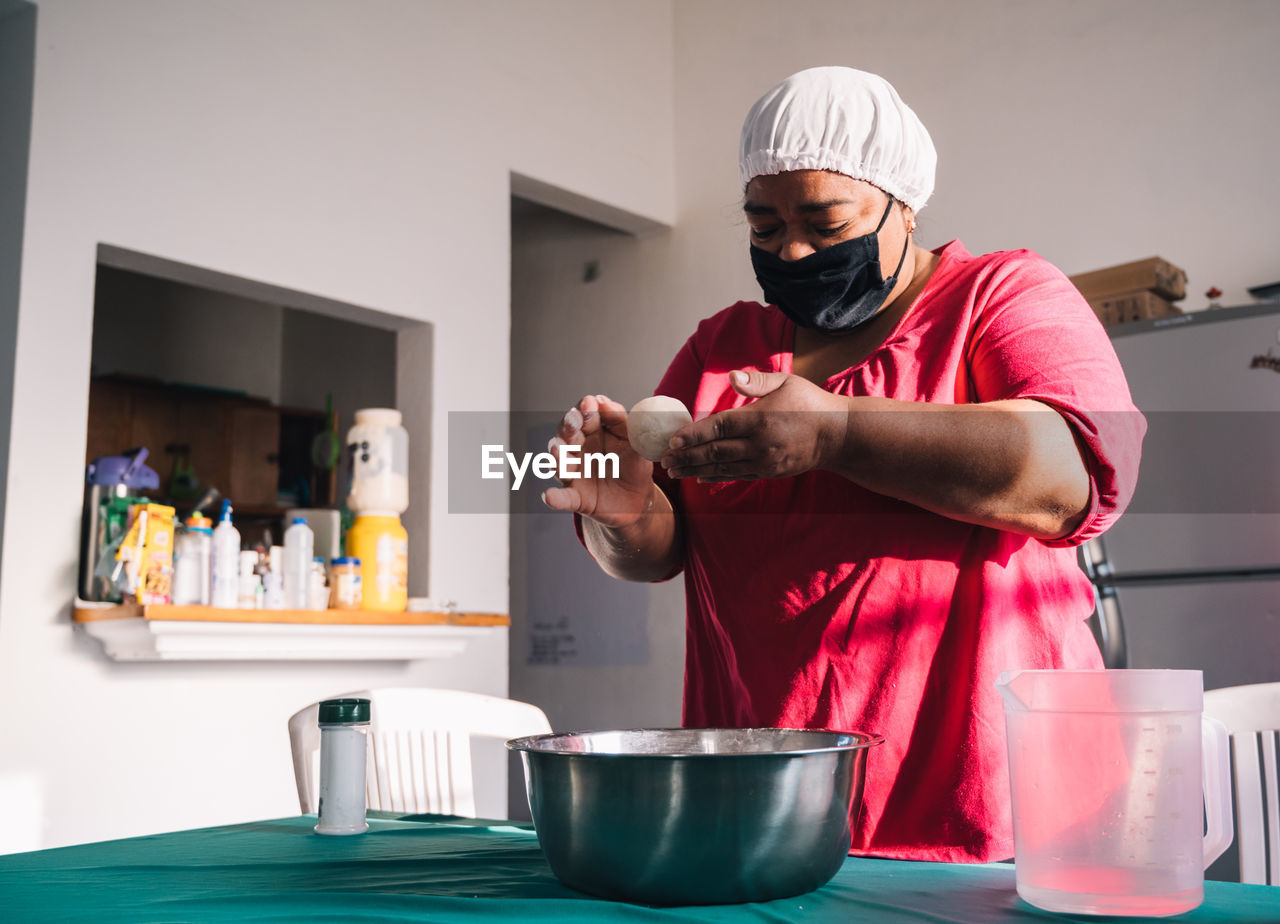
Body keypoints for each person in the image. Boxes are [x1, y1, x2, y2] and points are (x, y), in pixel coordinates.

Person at [541, 66, 1146, 863]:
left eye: (825, 224)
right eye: (763, 226)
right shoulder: (724, 347)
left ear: (904, 204)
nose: (791, 249)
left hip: (991, 813)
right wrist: (622, 512)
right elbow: (661, 552)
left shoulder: (1001, 299)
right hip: (770, 804)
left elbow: (1075, 478)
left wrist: (836, 433)